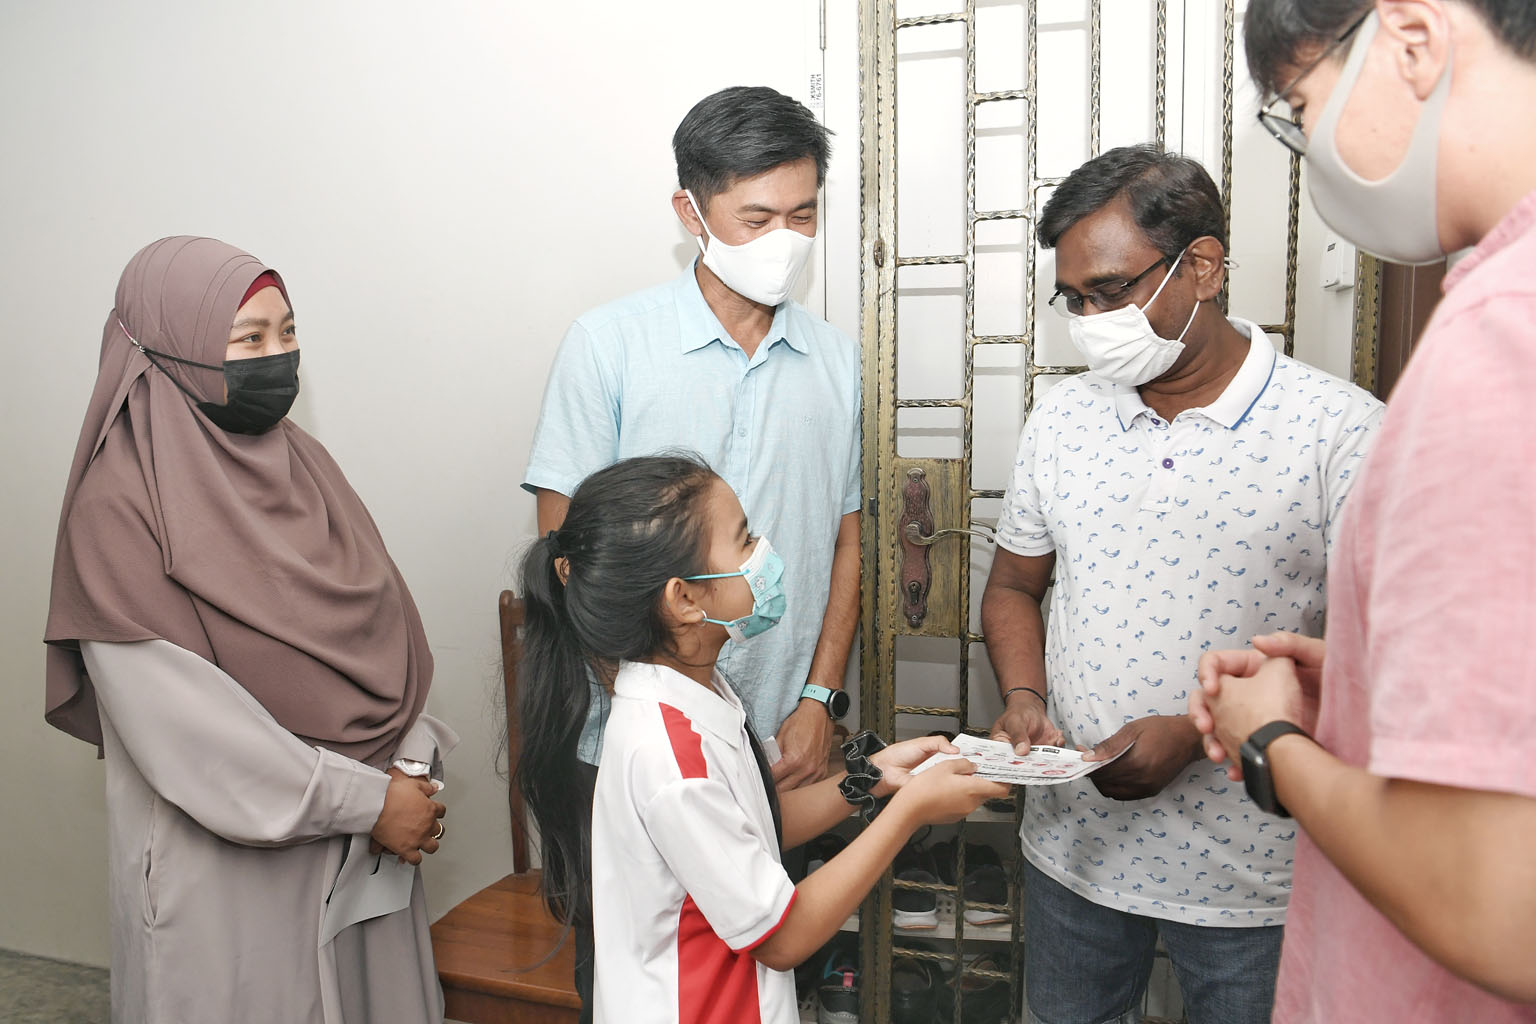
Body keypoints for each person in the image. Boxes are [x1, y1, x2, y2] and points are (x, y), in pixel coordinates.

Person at [980, 145, 1383, 1023]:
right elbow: (1012, 586)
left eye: (1112, 290)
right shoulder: (1064, 418)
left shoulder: (1339, 434)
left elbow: (1387, 663)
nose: (1092, 321)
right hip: (1074, 853)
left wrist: (1198, 738)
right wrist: (1023, 698)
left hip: (1257, 875)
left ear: (1202, 267)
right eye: (1074, 299)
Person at [1190, 1, 1536, 1019]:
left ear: (1414, 40)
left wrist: (1272, 744)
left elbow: (1495, 904)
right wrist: (1369, 692)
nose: (1311, 150)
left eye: (1300, 107)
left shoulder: (1499, 345)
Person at [44, 236, 456, 1024]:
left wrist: (407, 766)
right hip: (229, 878)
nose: (277, 357)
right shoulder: (118, 509)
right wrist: (370, 804)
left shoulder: (307, 466)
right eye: (248, 338)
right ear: (171, 346)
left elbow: (384, 636)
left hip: (373, 848)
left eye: (287, 331)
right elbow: (192, 736)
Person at [521, 84, 861, 1014]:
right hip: (632, 747)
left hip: (781, 740)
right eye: (756, 217)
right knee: (643, 978)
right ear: (691, 211)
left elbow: (846, 542)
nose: (784, 238)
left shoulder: (837, 363)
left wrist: (819, 701)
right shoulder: (608, 347)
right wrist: (656, 724)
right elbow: (565, 554)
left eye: (803, 214)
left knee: (765, 976)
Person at [515, 454, 1007, 1024]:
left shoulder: (696, 691)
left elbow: (754, 824)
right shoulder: (672, 758)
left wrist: (872, 779)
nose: (763, 554)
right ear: (684, 600)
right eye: (744, 540)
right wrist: (911, 811)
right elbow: (785, 936)